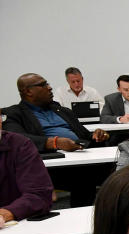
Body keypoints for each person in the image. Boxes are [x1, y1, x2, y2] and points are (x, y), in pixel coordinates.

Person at [3, 73, 111, 207]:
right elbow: (17, 140)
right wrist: (54, 142)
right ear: (28, 91)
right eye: (43, 85)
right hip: (51, 165)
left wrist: (97, 136)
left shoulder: (62, 110)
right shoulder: (14, 113)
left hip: (81, 158)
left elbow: (84, 136)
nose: (49, 88)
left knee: (119, 170)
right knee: (83, 179)